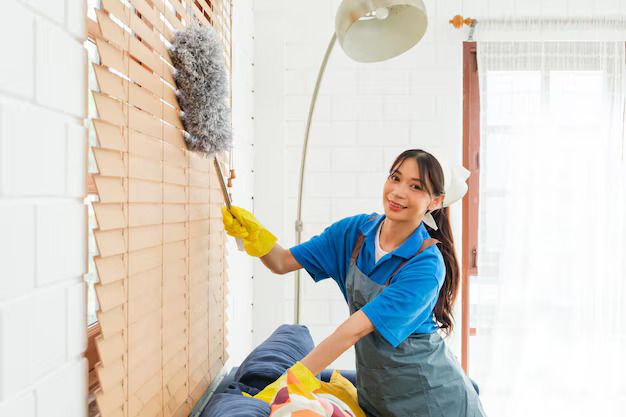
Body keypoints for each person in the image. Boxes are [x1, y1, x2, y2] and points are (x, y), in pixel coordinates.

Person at [221, 149, 487, 417]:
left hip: (436, 403)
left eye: (415, 187)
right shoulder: (354, 232)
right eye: (395, 178)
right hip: (380, 401)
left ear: (435, 201)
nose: (398, 192)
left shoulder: (425, 266)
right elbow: (282, 262)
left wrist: (288, 384)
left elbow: (352, 332)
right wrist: (254, 235)